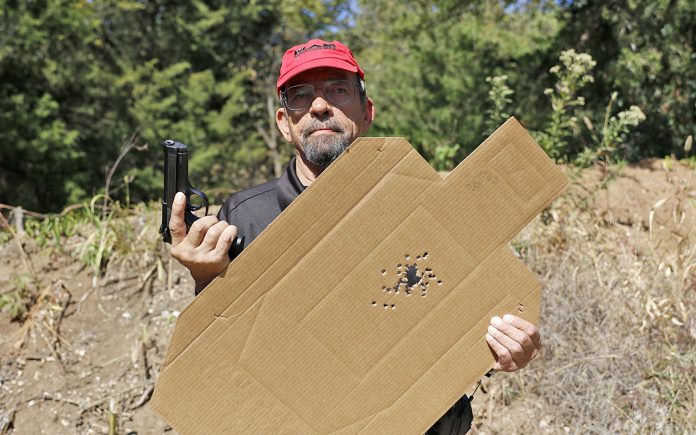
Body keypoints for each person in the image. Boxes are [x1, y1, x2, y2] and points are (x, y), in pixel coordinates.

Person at [167, 39, 542, 434]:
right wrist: (206, 280)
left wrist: (506, 350)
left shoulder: (424, 205)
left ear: (367, 111)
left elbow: (463, 319)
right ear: (283, 122)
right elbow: (224, 361)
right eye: (301, 95)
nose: (318, 105)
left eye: (337, 89)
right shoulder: (245, 217)